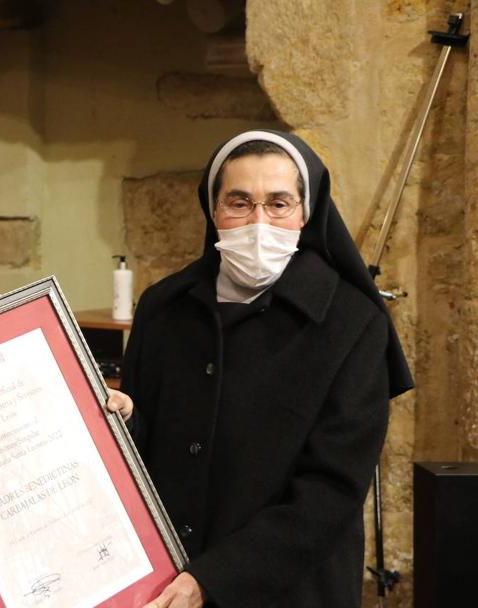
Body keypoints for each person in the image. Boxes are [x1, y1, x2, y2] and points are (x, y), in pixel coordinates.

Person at [122, 130, 414, 608]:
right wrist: (120, 420)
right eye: (239, 202)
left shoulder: (352, 322)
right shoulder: (163, 306)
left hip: (292, 590)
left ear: (306, 212)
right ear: (213, 211)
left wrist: (212, 579)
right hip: (166, 582)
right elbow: (145, 443)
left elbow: (331, 489)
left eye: (279, 203)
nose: (259, 221)